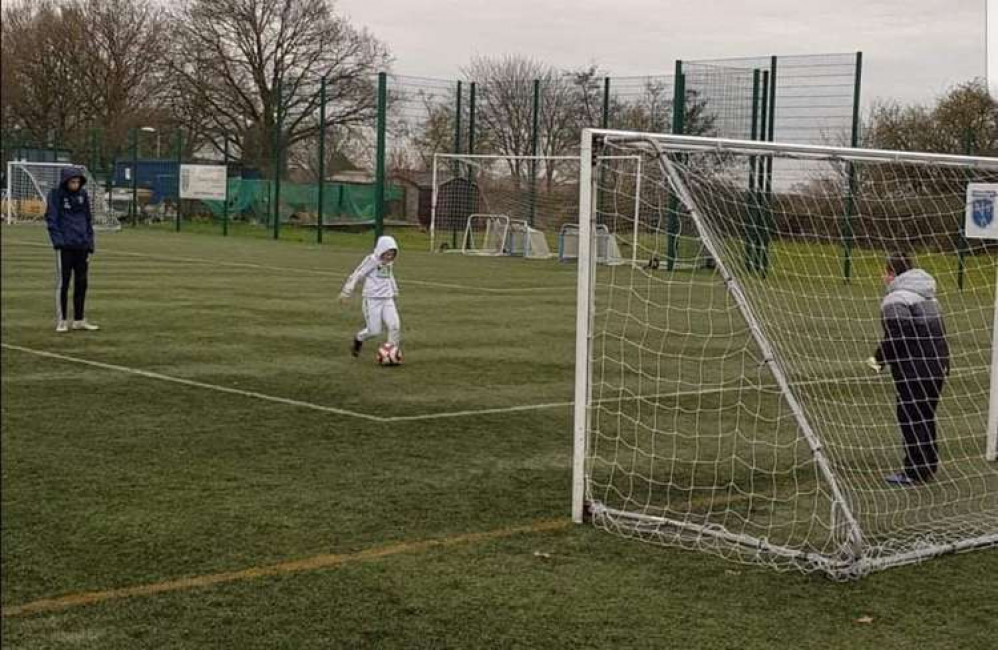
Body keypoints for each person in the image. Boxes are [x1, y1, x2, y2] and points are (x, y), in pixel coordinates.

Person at [866, 252, 949, 486]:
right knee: (925, 415)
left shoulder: (896, 299)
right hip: (938, 365)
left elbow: (899, 332)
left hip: (915, 368)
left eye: (885, 272)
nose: (883, 277)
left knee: (911, 417)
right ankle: (927, 465)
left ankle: (913, 471)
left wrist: (878, 359)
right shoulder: (929, 296)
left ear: (892, 274)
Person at [45, 167, 99, 333]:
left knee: (82, 283)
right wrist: (59, 242)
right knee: (64, 282)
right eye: (72, 181)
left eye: (78, 182)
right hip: (65, 246)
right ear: (66, 181)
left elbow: (88, 220)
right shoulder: (55, 195)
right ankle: (62, 320)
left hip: (81, 245)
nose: (75, 184)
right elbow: (52, 219)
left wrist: (90, 243)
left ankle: (79, 319)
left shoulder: (83, 196)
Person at [340, 235, 400, 356]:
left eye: (392, 254)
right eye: (387, 254)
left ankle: (392, 353)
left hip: (387, 299)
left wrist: (394, 290)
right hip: (372, 300)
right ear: (381, 251)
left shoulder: (389, 263)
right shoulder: (372, 260)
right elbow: (358, 274)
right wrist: (346, 291)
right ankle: (359, 339)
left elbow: (389, 276)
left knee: (395, 326)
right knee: (374, 331)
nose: (389, 257)